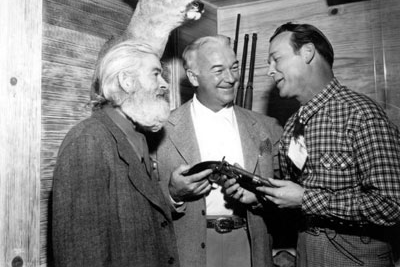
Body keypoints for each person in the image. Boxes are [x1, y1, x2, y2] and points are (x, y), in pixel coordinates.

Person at [225, 22, 400, 267]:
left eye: (276, 59)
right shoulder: (292, 127)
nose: (270, 71)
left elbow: (392, 205)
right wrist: (258, 197)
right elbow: (294, 202)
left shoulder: (361, 115)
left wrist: (305, 199)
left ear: (307, 53)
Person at [154, 35, 283, 267]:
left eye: (234, 67)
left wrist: (259, 196)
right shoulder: (159, 130)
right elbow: (142, 207)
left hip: (251, 248)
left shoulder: (269, 128)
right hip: (188, 253)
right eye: (218, 70)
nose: (231, 78)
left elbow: (290, 202)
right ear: (193, 77)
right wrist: (173, 194)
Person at [52, 41, 180, 267]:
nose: (165, 85)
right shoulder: (88, 141)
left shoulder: (137, 138)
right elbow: (82, 258)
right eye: (155, 74)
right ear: (126, 81)